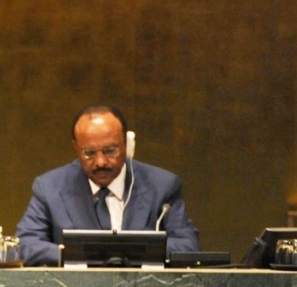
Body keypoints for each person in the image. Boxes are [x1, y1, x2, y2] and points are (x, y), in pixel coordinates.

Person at [15, 105, 200, 266]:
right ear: (76, 148)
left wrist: (125, 251)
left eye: (110, 151)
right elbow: (25, 244)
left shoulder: (163, 186)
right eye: (89, 153)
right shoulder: (49, 188)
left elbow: (188, 245)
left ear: (126, 145)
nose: (101, 162)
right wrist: (81, 254)